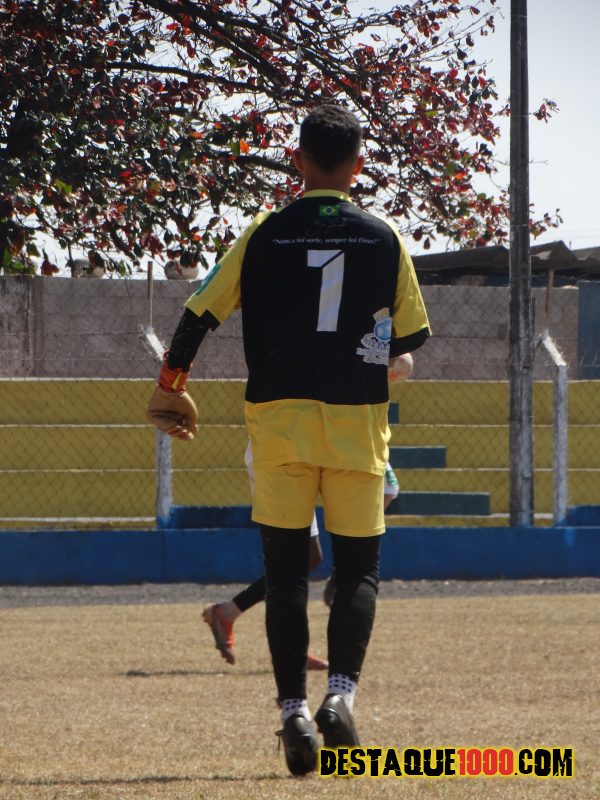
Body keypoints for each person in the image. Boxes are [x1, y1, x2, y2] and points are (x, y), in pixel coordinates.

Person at [147, 105, 430, 776]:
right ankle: (340, 697)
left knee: (285, 572)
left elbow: (198, 313)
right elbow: (410, 339)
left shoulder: (264, 232)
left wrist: (170, 384)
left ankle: (293, 712)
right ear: (358, 166)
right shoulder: (385, 236)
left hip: (278, 425)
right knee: (357, 569)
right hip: (357, 425)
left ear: (296, 160)